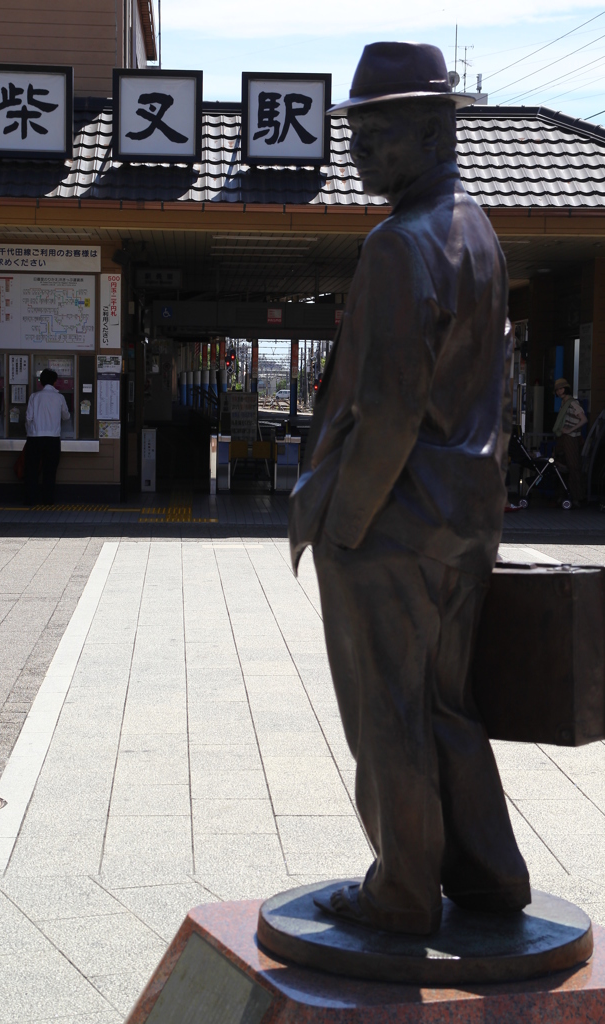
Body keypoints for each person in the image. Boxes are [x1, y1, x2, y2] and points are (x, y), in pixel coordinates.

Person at [288, 41, 530, 935]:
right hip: (465, 518)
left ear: (433, 131)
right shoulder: (478, 229)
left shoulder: (400, 243)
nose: (359, 151)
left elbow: (387, 409)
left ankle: (400, 891)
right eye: (356, 133)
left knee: (387, 707)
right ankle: (489, 875)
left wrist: (342, 523)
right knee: (445, 703)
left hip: (391, 519)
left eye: (379, 133)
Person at [24, 368, 70, 505]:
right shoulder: (59, 397)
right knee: (50, 471)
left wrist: (30, 431)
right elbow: (66, 416)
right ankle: (47, 500)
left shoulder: (34, 396)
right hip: (52, 439)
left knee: (32, 470)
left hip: (35, 438)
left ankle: (30, 500)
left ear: (41, 382)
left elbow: (28, 418)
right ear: (55, 381)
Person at [553, 377, 587, 505]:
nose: (559, 391)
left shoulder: (572, 403)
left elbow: (583, 419)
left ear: (566, 388)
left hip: (571, 437)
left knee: (572, 467)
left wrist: (570, 429)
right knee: (563, 466)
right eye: (557, 389)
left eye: (561, 388)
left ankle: (577, 497)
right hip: (565, 438)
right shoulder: (565, 402)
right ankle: (565, 495)